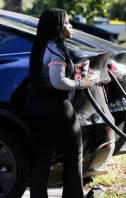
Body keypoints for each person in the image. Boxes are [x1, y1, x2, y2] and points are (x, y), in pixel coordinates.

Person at [23, 8, 92, 198]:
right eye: (68, 23)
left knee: (42, 158)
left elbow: (49, 72)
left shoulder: (41, 45)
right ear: (59, 27)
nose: (71, 27)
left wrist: (74, 68)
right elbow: (58, 82)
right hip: (57, 108)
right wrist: (81, 82)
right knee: (74, 153)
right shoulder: (57, 49)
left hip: (36, 106)